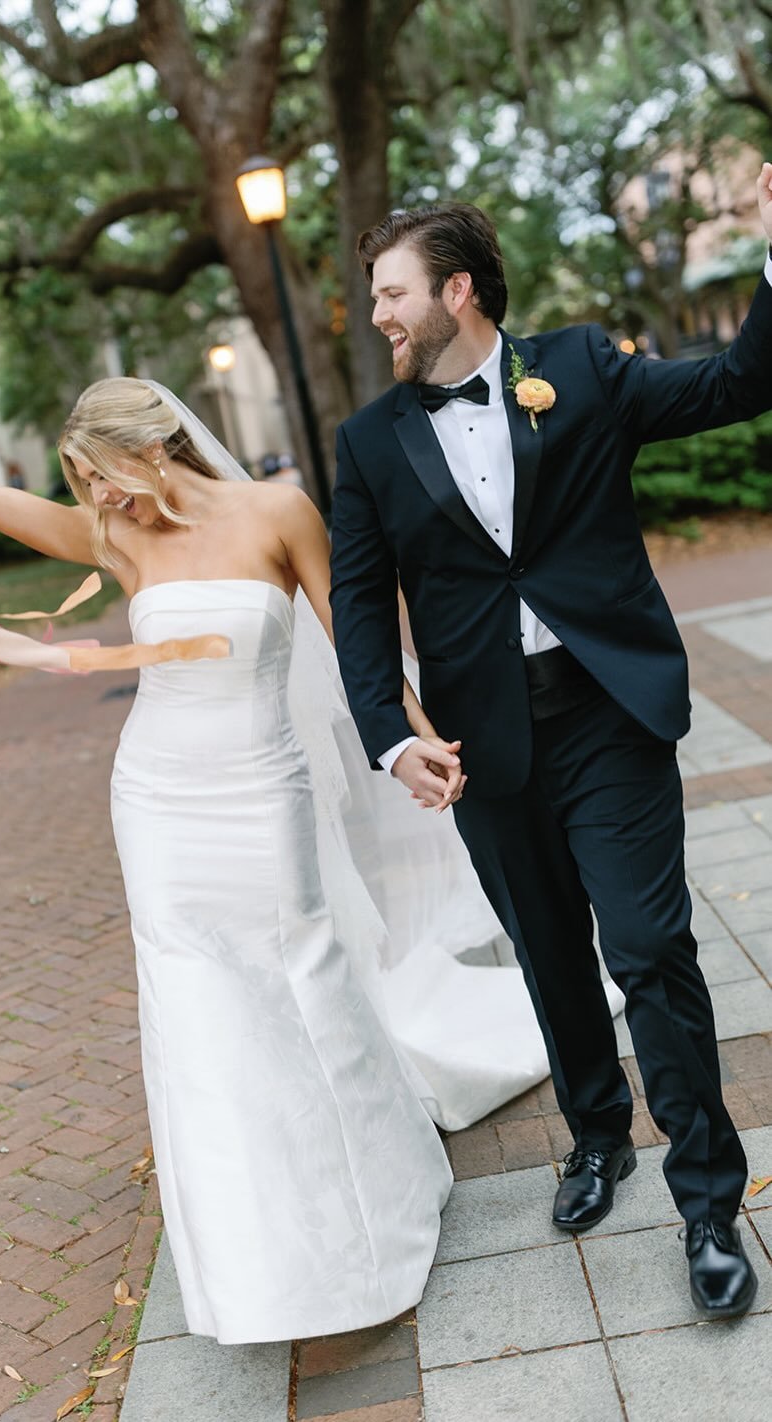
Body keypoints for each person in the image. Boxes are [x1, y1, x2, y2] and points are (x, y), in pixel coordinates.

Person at [0, 378, 557, 1344]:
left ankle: (377, 1199)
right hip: (158, 800)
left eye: (104, 475)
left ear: (157, 443)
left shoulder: (277, 512)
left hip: (261, 794)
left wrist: (406, 742)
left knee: (298, 979)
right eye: (82, 483)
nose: (100, 499)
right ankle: (247, 1264)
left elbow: (360, 647)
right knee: (196, 1008)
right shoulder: (114, 538)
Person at [329, 163, 772, 1320]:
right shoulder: (370, 441)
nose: (375, 315)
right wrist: (390, 738)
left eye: (389, 293)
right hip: (482, 746)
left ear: (456, 291)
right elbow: (360, 603)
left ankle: (708, 1207)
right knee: (548, 953)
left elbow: (740, 380)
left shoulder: (577, 367)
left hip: (607, 716)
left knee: (646, 949)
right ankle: (593, 1136)